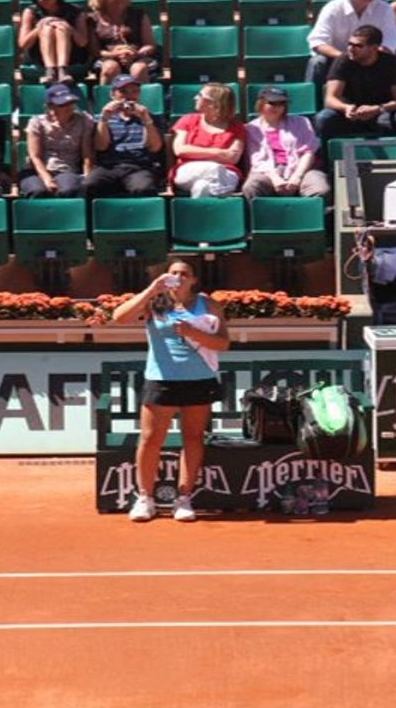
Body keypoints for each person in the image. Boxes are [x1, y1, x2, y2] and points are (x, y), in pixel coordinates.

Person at [111, 259, 230, 522]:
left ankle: (184, 498)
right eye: (173, 272)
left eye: (184, 274)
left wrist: (193, 333)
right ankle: (145, 497)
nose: (178, 277)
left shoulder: (209, 304)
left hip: (199, 379)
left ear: (194, 279)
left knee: (193, 438)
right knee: (151, 438)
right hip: (161, 379)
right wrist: (152, 289)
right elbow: (119, 318)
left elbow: (223, 343)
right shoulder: (155, 301)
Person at [314, 25, 396, 154]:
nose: (350, 49)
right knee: (324, 118)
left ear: (374, 48)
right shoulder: (343, 61)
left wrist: (378, 109)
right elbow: (330, 99)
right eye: (349, 44)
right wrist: (346, 108)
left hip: (383, 112)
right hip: (350, 114)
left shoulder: (392, 63)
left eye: (358, 46)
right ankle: (325, 165)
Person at [306, 0, 396, 96]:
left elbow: (390, 42)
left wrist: (368, 57)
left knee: (392, 61)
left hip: (372, 59)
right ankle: (315, 105)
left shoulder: (385, 9)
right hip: (337, 58)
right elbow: (317, 42)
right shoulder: (333, 8)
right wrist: (344, 57)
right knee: (317, 62)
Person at [83, 74, 163, 198]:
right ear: (113, 95)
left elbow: (155, 148)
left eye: (134, 92)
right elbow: (101, 146)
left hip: (138, 166)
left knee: (143, 188)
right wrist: (104, 118)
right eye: (123, 92)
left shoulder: (150, 118)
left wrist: (146, 120)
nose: (129, 96)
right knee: (89, 184)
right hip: (109, 166)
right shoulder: (102, 119)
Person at [243, 86, 330, 201]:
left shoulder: (301, 122)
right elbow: (257, 161)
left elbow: (308, 153)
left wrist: (297, 177)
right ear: (261, 103)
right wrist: (275, 178)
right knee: (251, 186)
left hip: (301, 169)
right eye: (272, 103)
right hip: (268, 172)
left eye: (281, 103)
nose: (277, 107)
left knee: (320, 188)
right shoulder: (252, 128)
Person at [170, 82, 246, 198]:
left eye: (200, 95)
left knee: (202, 187)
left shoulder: (236, 126)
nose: (195, 98)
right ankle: (224, 206)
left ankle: (200, 214)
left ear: (213, 104)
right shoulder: (188, 120)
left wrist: (194, 152)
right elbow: (180, 150)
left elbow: (233, 158)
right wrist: (220, 153)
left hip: (228, 172)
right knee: (215, 168)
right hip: (189, 169)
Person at [19, 83, 93, 198]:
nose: (69, 107)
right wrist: (47, 178)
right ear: (51, 106)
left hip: (67, 169)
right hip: (37, 170)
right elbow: (35, 156)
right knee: (38, 191)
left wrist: (87, 175)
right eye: (63, 104)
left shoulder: (83, 121)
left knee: (69, 189)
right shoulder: (37, 122)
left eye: (71, 103)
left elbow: (86, 153)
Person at [18, 0, 89, 86]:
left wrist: (68, 27)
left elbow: (83, 42)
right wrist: (38, 28)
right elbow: (23, 44)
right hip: (40, 57)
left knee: (61, 29)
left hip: (71, 57)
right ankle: (50, 70)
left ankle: (62, 70)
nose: (41, 0)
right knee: (47, 29)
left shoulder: (75, 11)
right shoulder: (31, 12)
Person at [88, 0, 158, 85]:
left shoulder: (139, 15)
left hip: (138, 56)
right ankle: (110, 99)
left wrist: (134, 53)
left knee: (139, 69)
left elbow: (150, 45)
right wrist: (115, 54)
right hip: (107, 57)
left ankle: (140, 99)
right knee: (110, 68)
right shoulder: (92, 19)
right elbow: (95, 51)